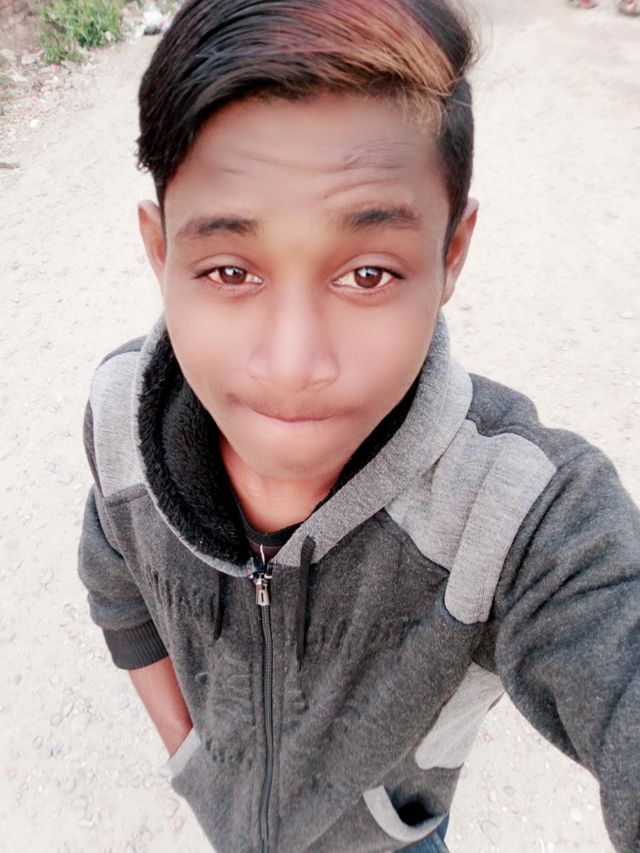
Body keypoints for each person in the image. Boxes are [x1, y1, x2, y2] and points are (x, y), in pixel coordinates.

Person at [76, 1, 640, 851]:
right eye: (229, 270)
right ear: (161, 254)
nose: (293, 363)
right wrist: (190, 756)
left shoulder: (517, 516)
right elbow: (114, 577)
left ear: (451, 255)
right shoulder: (122, 414)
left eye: (368, 274)